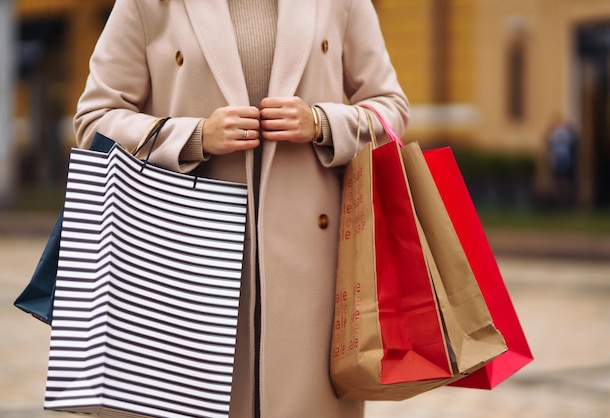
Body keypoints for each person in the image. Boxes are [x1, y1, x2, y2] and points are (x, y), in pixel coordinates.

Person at [73, 0, 409, 417]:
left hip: (315, 267)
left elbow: (391, 108)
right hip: (180, 262)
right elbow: (94, 120)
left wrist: (322, 122)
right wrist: (195, 135)